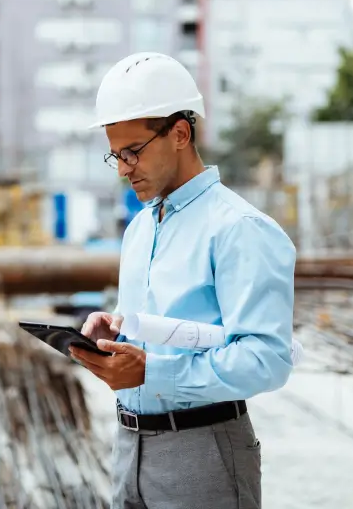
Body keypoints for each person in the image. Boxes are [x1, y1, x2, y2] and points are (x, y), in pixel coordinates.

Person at [70, 52, 296, 509]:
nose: (123, 168)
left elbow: (268, 359)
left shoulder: (239, 229)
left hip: (203, 452)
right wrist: (115, 333)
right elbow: (157, 329)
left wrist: (153, 371)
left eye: (132, 152)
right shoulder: (139, 229)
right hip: (129, 447)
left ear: (179, 133)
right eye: (116, 154)